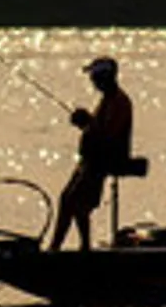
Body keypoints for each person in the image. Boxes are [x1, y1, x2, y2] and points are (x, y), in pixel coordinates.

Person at [48, 56, 134, 252]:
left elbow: (107, 135)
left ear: (105, 77)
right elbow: (96, 130)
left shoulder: (120, 102)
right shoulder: (107, 101)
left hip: (103, 161)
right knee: (67, 199)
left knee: (76, 202)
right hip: (91, 161)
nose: (93, 82)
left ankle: (68, 248)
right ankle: (65, 246)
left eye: (95, 77)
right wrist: (86, 123)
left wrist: (87, 122)